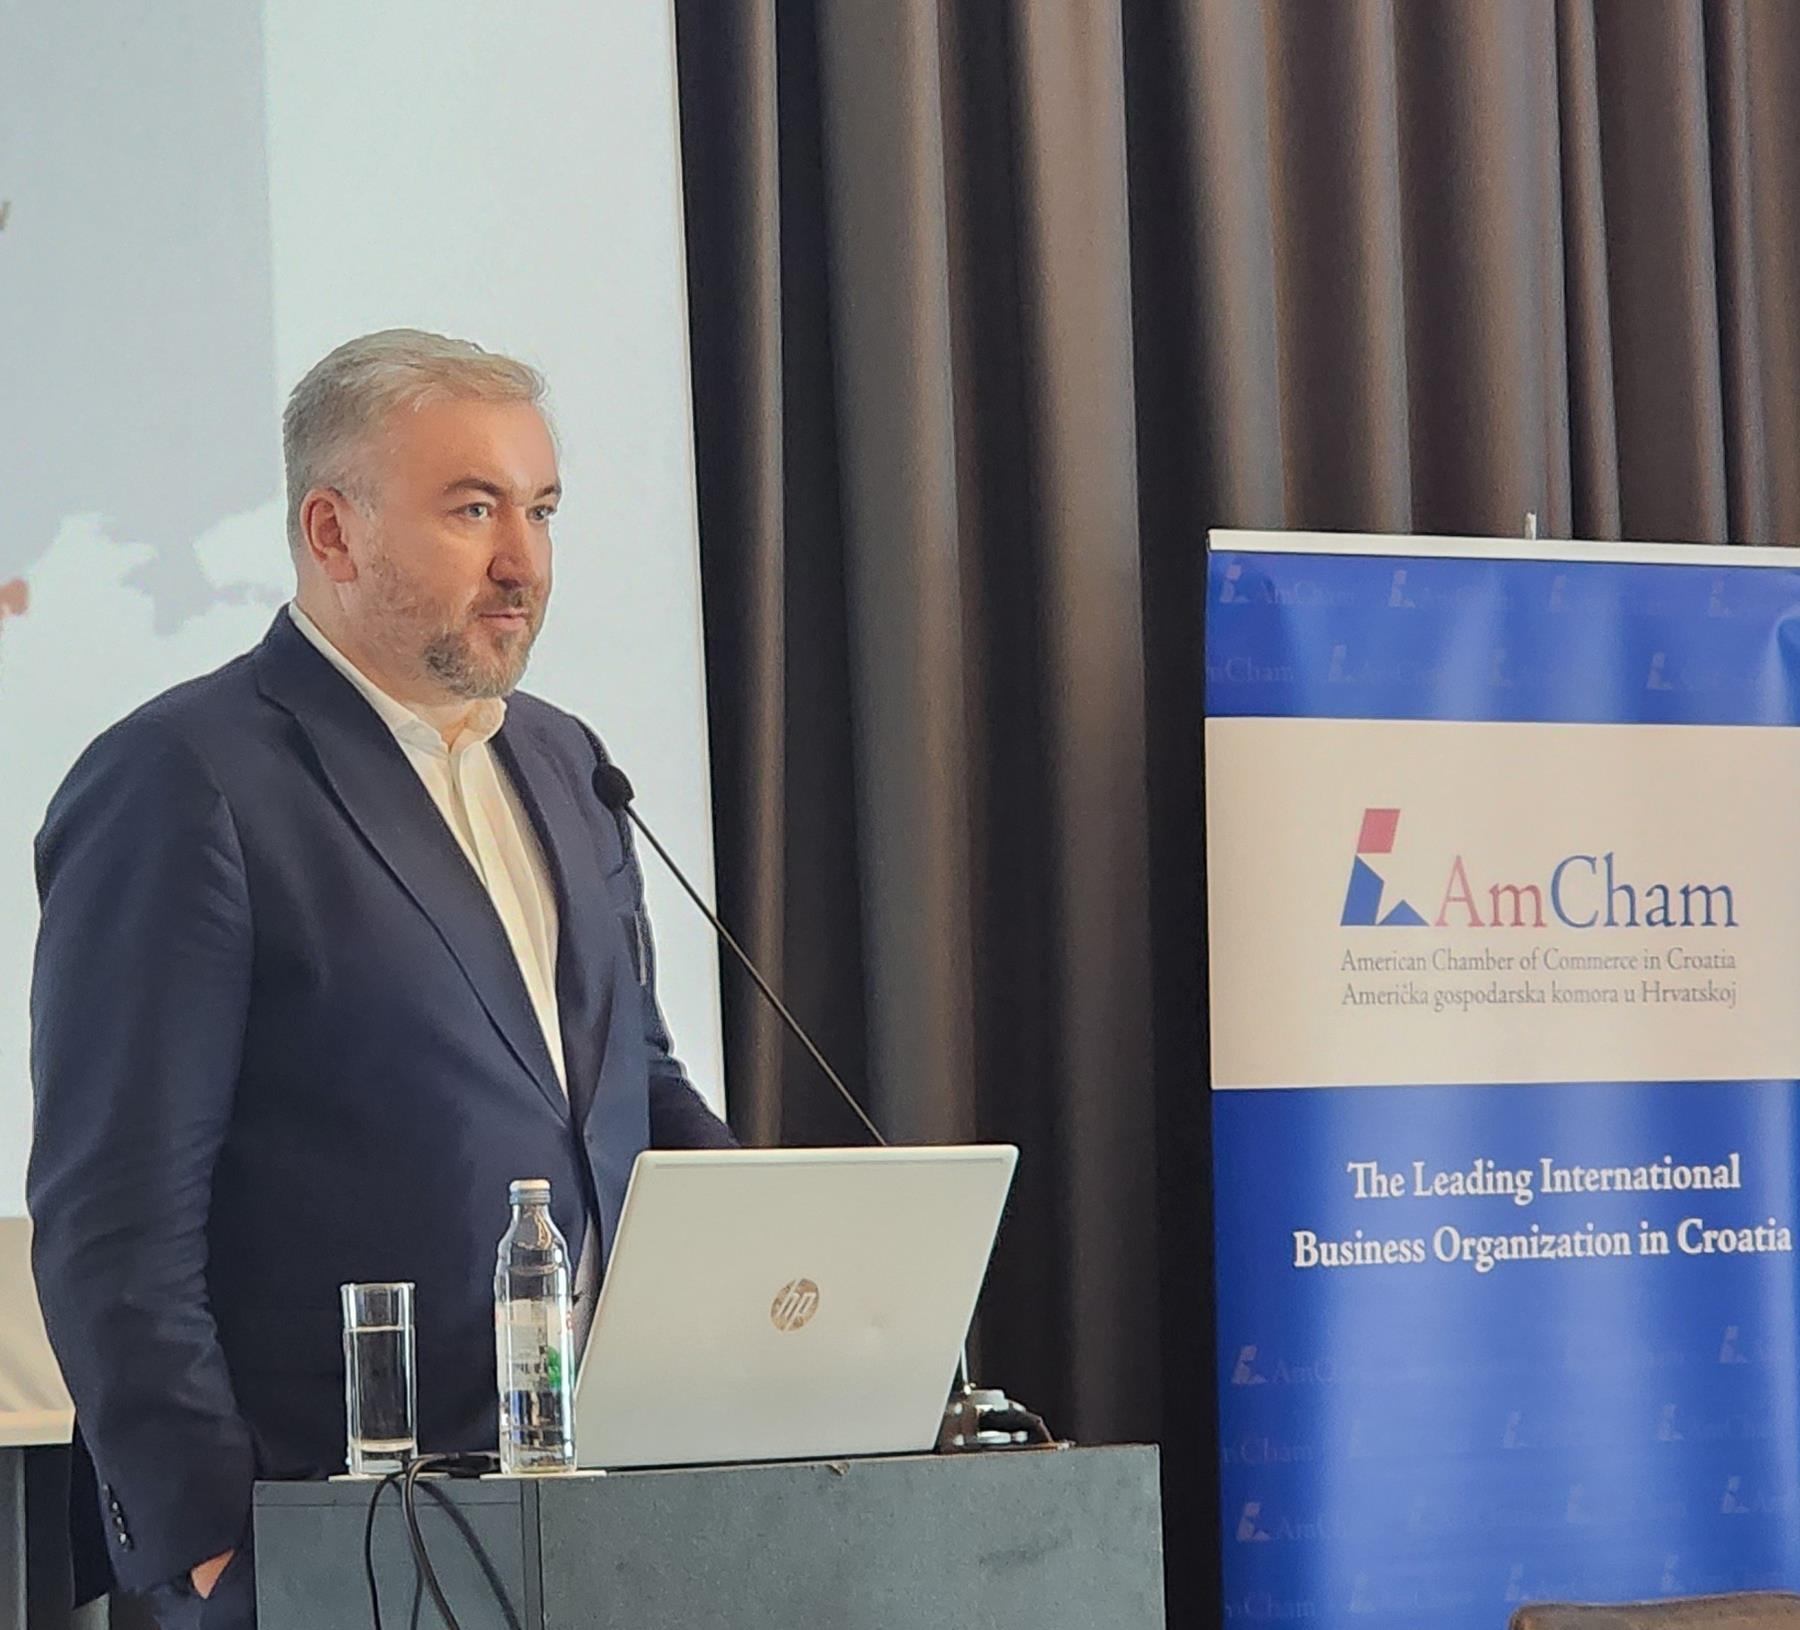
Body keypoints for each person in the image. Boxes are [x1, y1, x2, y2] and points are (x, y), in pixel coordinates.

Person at [27, 329, 733, 1628]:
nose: (523, 561)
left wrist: (792, 1283)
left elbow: (627, 1086)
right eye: (473, 510)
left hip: (601, 1525)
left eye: (541, 510)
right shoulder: (184, 779)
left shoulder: (566, 763)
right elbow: (113, 1215)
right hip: (327, 1544)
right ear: (332, 532)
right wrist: (215, 1550)